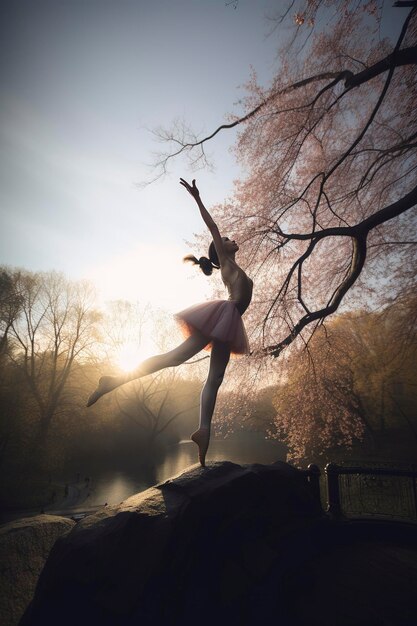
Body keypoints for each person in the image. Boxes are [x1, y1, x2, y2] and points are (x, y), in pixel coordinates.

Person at [86, 178, 253, 466]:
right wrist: (197, 199)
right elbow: (213, 227)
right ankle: (113, 380)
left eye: (228, 239)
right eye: (227, 240)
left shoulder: (234, 265)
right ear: (220, 250)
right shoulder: (225, 262)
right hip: (224, 316)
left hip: (229, 322)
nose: (231, 239)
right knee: (173, 359)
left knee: (214, 378)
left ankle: (203, 430)